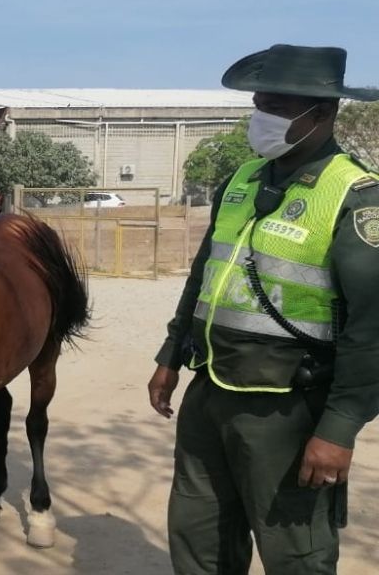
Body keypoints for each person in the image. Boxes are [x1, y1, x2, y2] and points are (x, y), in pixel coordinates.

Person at [148, 44, 379, 574]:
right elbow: (204, 277)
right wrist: (170, 355)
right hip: (210, 393)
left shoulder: (357, 197)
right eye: (257, 104)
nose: (259, 119)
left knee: (296, 554)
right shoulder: (243, 180)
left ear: (322, 114)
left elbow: (372, 329)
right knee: (199, 542)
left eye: (274, 108)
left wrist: (339, 428)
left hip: (288, 410)